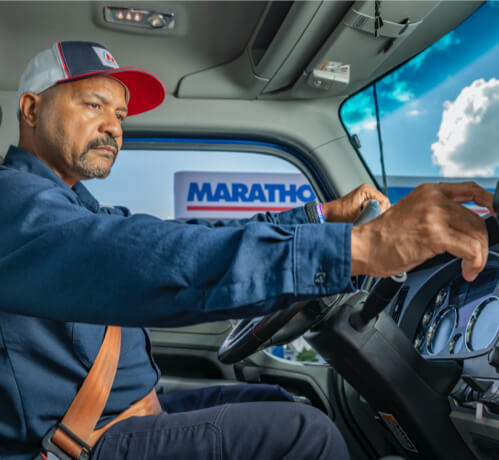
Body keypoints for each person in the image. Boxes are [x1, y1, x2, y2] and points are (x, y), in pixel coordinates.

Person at [0, 41, 493, 460]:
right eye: (93, 105)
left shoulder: (74, 209)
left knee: (281, 402)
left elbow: (185, 234)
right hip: (76, 444)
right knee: (307, 437)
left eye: (120, 113)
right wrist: (359, 247)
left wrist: (319, 219)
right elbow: (143, 257)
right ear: (31, 109)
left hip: (128, 414)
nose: (113, 126)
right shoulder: (11, 204)